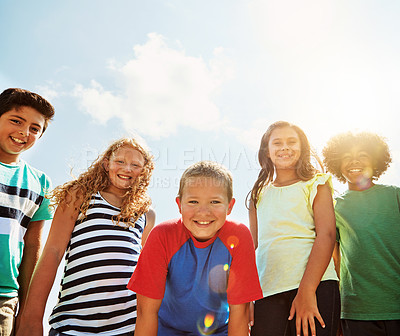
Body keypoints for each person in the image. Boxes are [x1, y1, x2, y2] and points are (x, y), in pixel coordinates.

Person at [16, 137, 155, 336]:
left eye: (135, 165)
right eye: (120, 162)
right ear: (106, 164)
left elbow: (145, 273)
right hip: (72, 324)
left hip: (126, 325)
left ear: (144, 171)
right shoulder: (80, 195)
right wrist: (31, 318)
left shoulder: (146, 214)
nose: (127, 169)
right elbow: (52, 253)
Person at [128, 160, 263, 336]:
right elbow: (146, 312)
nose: (203, 212)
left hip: (218, 331)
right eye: (193, 201)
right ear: (179, 205)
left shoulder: (239, 236)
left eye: (215, 202)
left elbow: (240, 313)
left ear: (230, 206)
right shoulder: (162, 235)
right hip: (167, 331)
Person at [248, 121, 340, 336]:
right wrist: (247, 297)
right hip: (268, 290)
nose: (285, 147)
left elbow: (326, 235)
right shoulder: (257, 195)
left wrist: (306, 291)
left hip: (317, 286)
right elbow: (253, 246)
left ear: (302, 148)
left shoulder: (317, 183)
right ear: (267, 151)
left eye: (292, 142)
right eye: (277, 143)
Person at [322, 131, 400, 336]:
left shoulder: (395, 195)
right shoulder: (335, 207)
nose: (354, 161)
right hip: (357, 312)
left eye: (363, 155)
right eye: (346, 156)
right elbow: (336, 262)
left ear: (376, 161)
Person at [0, 88, 55, 336]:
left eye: (35, 128)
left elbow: (33, 245)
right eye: (16, 121)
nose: (24, 132)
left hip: (4, 297)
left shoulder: (40, 182)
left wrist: (26, 311)